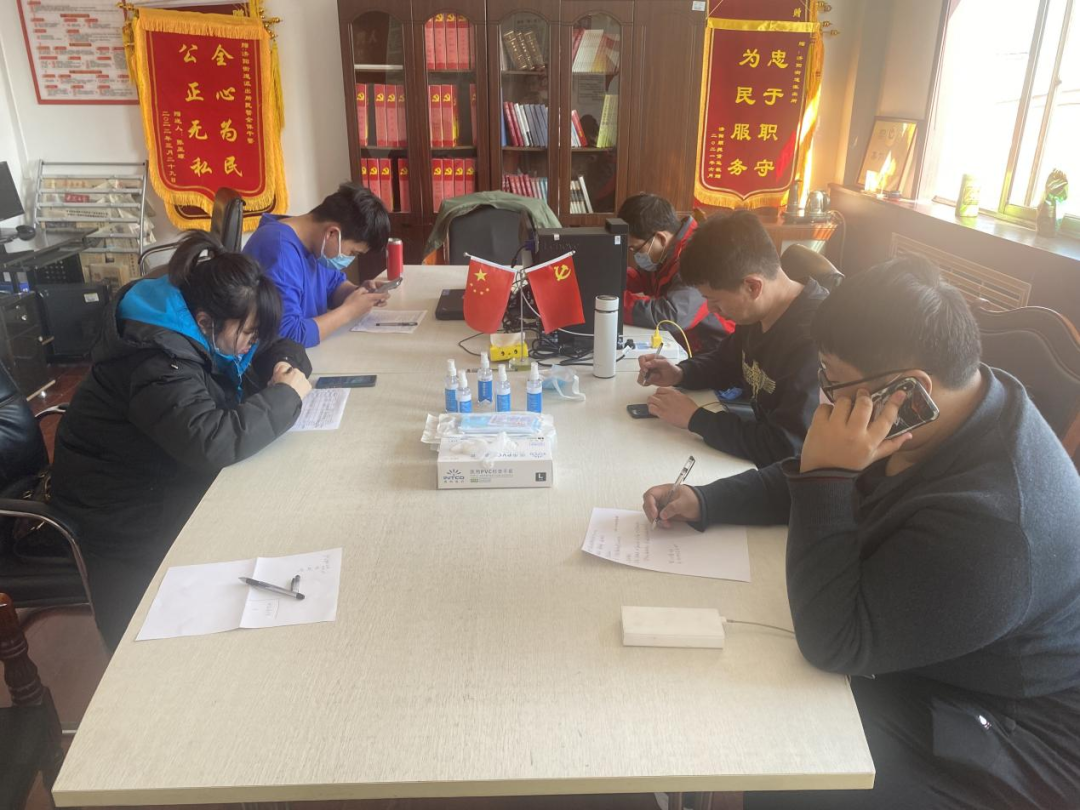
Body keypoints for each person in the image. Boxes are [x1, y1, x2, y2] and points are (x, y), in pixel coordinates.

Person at [643, 257, 1080, 809]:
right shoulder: (947, 408)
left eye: (832, 378)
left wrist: (827, 477)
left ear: (910, 389)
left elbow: (834, 641)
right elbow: (822, 468)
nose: (824, 394)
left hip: (1009, 717)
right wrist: (709, 499)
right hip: (939, 634)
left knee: (789, 760)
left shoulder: (996, 524)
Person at [51, 233, 313, 651]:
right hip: (117, 507)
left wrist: (282, 361)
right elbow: (211, 442)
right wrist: (285, 397)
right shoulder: (156, 359)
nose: (251, 345)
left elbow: (271, 343)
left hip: (156, 472)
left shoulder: (194, 320)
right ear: (206, 322)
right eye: (247, 334)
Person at [637, 210, 828, 467]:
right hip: (759, 443)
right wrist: (680, 373)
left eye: (714, 300)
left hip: (791, 469)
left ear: (752, 286)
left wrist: (696, 419)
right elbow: (726, 361)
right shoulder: (758, 311)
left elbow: (786, 445)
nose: (711, 309)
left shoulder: (815, 339)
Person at [244, 182, 392, 347]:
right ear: (332, 233)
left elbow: (333, 286)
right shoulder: (278, 251)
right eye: (353, 252)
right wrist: (348, 312)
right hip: (277, 358)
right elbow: (289, 335)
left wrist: (358, 294)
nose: (351, 258)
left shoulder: (315, 243)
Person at [619, 193, 732, 354]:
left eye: (636, 248)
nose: (636, 254)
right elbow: (644, 278)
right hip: (687, 342)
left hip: (714, 348)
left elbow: (672, 316)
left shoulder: (696, 255)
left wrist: (614, 303)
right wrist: (608, 278)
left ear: (660, 238)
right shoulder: (667, 252)